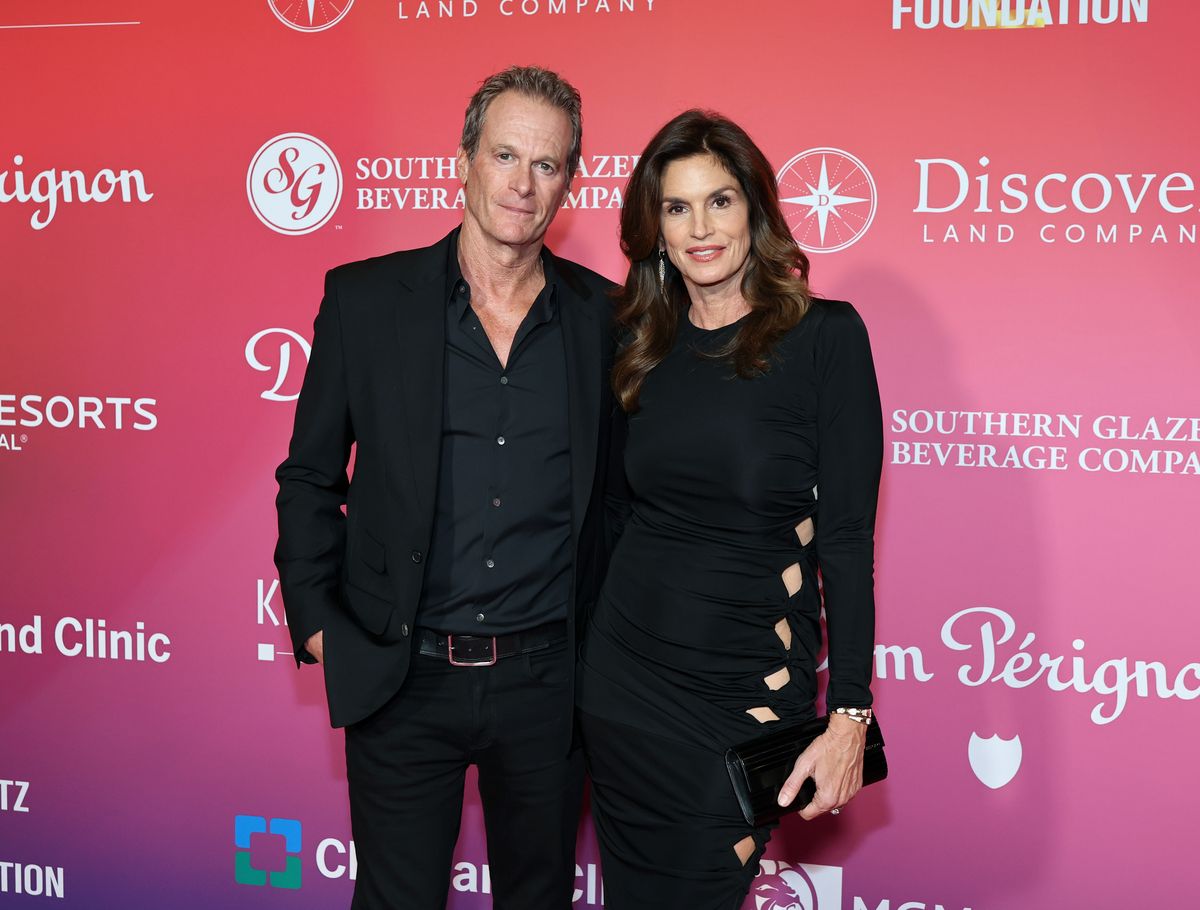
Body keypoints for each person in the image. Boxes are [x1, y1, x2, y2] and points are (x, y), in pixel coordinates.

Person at [274, 66, 616, 910]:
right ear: (463, 160)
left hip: (548, 687)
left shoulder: (608, 320)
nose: (522, 183)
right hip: (402, 678)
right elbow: (310, 478)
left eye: (546, 164)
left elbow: (630, 502)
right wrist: (320, 627)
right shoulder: (363, 301)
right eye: (504, 155)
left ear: (569, 183)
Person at [577, 110, 883, 909]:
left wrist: (849, 713)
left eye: (720, 201)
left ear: (755, 208)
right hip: (622, 685)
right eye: (677, 208)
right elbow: (614, 518)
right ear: (655, 228)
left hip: (743, 694)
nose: (701, 228)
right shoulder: (639, 346)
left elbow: (847, 536)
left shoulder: (824, 339)